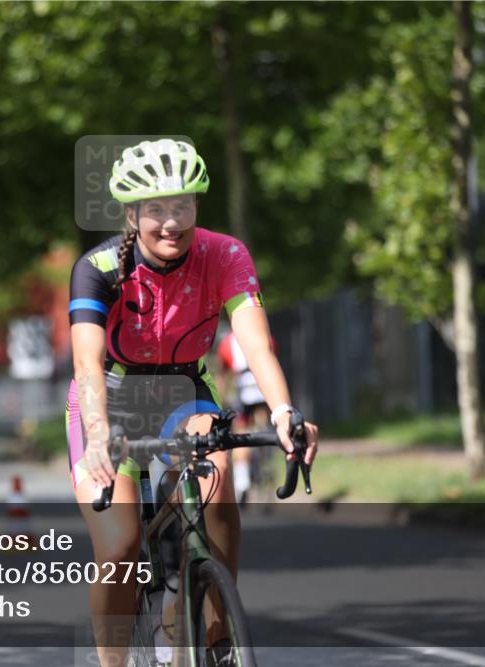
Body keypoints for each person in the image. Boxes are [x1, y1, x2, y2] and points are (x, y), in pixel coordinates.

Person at [67, 138, 319, 666]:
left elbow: (255, 343)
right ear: (132, 214)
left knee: (218, 478)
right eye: (156, 210)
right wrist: (96, 434)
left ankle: (213, 634)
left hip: (186, 391)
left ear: (197, 206)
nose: (170, 222)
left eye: (182, 205)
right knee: (118, 549)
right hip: (111, 398)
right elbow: (87, 364)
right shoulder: (100, 266)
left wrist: (281, 411)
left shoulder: (225, 254)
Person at [215, 331, 276, 504]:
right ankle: (265, 450)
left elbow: (223, 375)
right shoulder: (267, 337)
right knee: (263, 422)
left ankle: (242, 483)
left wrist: (220, 400)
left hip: (244, 393)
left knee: (240, 431)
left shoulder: (226, 343)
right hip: (262, 392)